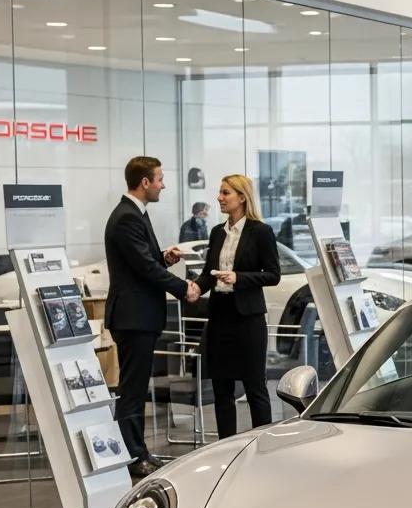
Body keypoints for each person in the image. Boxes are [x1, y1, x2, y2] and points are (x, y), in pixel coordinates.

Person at [104, 155, 200, 480]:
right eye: (159, 179)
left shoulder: (134, 215)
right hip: (133, 319)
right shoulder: (127, 218)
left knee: (135, 388)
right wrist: (183, 288)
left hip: (139, 317)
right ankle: (133, 458)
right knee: (132, 391)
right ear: (144, 182)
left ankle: (138, 452)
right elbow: (144, 269)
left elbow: (145, 262)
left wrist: (164, 259)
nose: (163, 185)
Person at [195, 174, 280, 438]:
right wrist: (194, 288)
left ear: (242, 197)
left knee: (255, 386)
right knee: (222, 388)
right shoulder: (216, 232)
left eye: (225, 193)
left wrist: (240, 278)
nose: (219, 198)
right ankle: (226, 447)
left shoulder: (261, 232)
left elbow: (273, 274)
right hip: (220, 315)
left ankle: (263, 445)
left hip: (248, 318)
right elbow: (209, 272)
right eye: (220, 193)